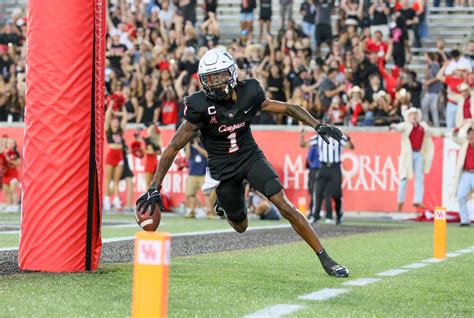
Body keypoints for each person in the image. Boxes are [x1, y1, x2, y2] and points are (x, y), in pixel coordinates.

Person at [136, 48, 349, 277]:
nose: (214, 83)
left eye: (218, 76)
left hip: (249, 157)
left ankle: (325, 257)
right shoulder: (199, 106)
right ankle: (225, 206)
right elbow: (172, 148)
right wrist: (153, 187)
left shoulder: (250, 91)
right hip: (222, 168)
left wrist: (317, 125)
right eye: (208, 79)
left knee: (285, 205)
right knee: (241, 226)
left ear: (231, 74)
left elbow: (287, 107)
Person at [390, 108, 443, 212]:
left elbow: (432, 132)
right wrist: (393, 126)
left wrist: (441, 133)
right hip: (407, 155)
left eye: (415, 114)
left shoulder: (423, 126)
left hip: (419, 153)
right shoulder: (406, 126)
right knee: (403, 178)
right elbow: (398, 127)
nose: (414, 117)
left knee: (419, 178)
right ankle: (400, 202)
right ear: (408, 117)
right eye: (411, 115)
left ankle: (417, 200)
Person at [310, 130, 354, 224]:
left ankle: (339, 215)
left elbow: (351, 147)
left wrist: (349, 138)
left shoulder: (338, 136)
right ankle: (315, 216)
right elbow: (304, 144)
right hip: (323, 167)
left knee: (337, 194)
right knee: (318, 192)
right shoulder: (318, 137)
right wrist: (302, 136)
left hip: (335, 167)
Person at [183, 133, 216, 218]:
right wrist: (187, 144)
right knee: (191, 194)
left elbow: (207, 155)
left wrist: (197, 146)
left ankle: (209, 212)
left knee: (207, 194)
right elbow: (187, 158)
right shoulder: (189, 146)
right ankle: (192, 211)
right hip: (192, 173)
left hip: (203, 173)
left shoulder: (204, 144)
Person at [104, 103, 128, 211]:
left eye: (117, 122)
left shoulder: (120, 131)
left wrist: (122, 105)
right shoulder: (108, 130)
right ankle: (106, 200)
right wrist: (111, 104)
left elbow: (125, 117)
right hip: (111, 155)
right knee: (108, 179)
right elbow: (107, 116)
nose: (116, 123)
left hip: (119, 155)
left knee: (116, 180)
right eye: (114, 122)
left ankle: (116, 199)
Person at [453, 126, 474, 226]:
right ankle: (465, 220)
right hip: (466, 173)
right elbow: (454, 137)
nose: (471, 136)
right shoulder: (465, 144)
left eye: (473, 133)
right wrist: (458, 128)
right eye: (469, 134)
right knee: (461, 195)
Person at [300, 128, 321, 222]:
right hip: (319, 169)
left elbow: (310, 158)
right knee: (315, 191)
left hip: (315, 169)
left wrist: (302, 135)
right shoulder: (319, 142)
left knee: (313, 191)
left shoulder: (314, 144)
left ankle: (313, 213)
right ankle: (315, 212)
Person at [421, 52, 442, 127]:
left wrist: (428, 82)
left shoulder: (435, 65)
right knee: (424, 106)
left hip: (434, 90)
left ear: (429, 56)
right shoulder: (429, 65)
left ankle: (436, 126)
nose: (424, 57)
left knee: (433, 109)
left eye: (425, 56)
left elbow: (438, 76)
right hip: (429, 90)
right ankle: (425, 124)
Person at [2, 137, 21, 212]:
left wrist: (10, 161)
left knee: (13, 190)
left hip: (13, 174)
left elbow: (18, 163)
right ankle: (9, 206)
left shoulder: (15, 152)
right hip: (6, 174)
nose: (11, 144)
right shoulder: (3, 152)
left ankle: (15, 205)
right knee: (7, 191)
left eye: (12, 143)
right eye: (9, 143)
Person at [144, 123, 162, 188]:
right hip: (155, 162)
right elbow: (160, 152)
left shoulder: (148, 140)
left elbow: (151, 151)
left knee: (148, 185)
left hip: (150, 162)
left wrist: (144, 150)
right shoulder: (157, 141)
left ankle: (148, 197)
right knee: (155, 185)